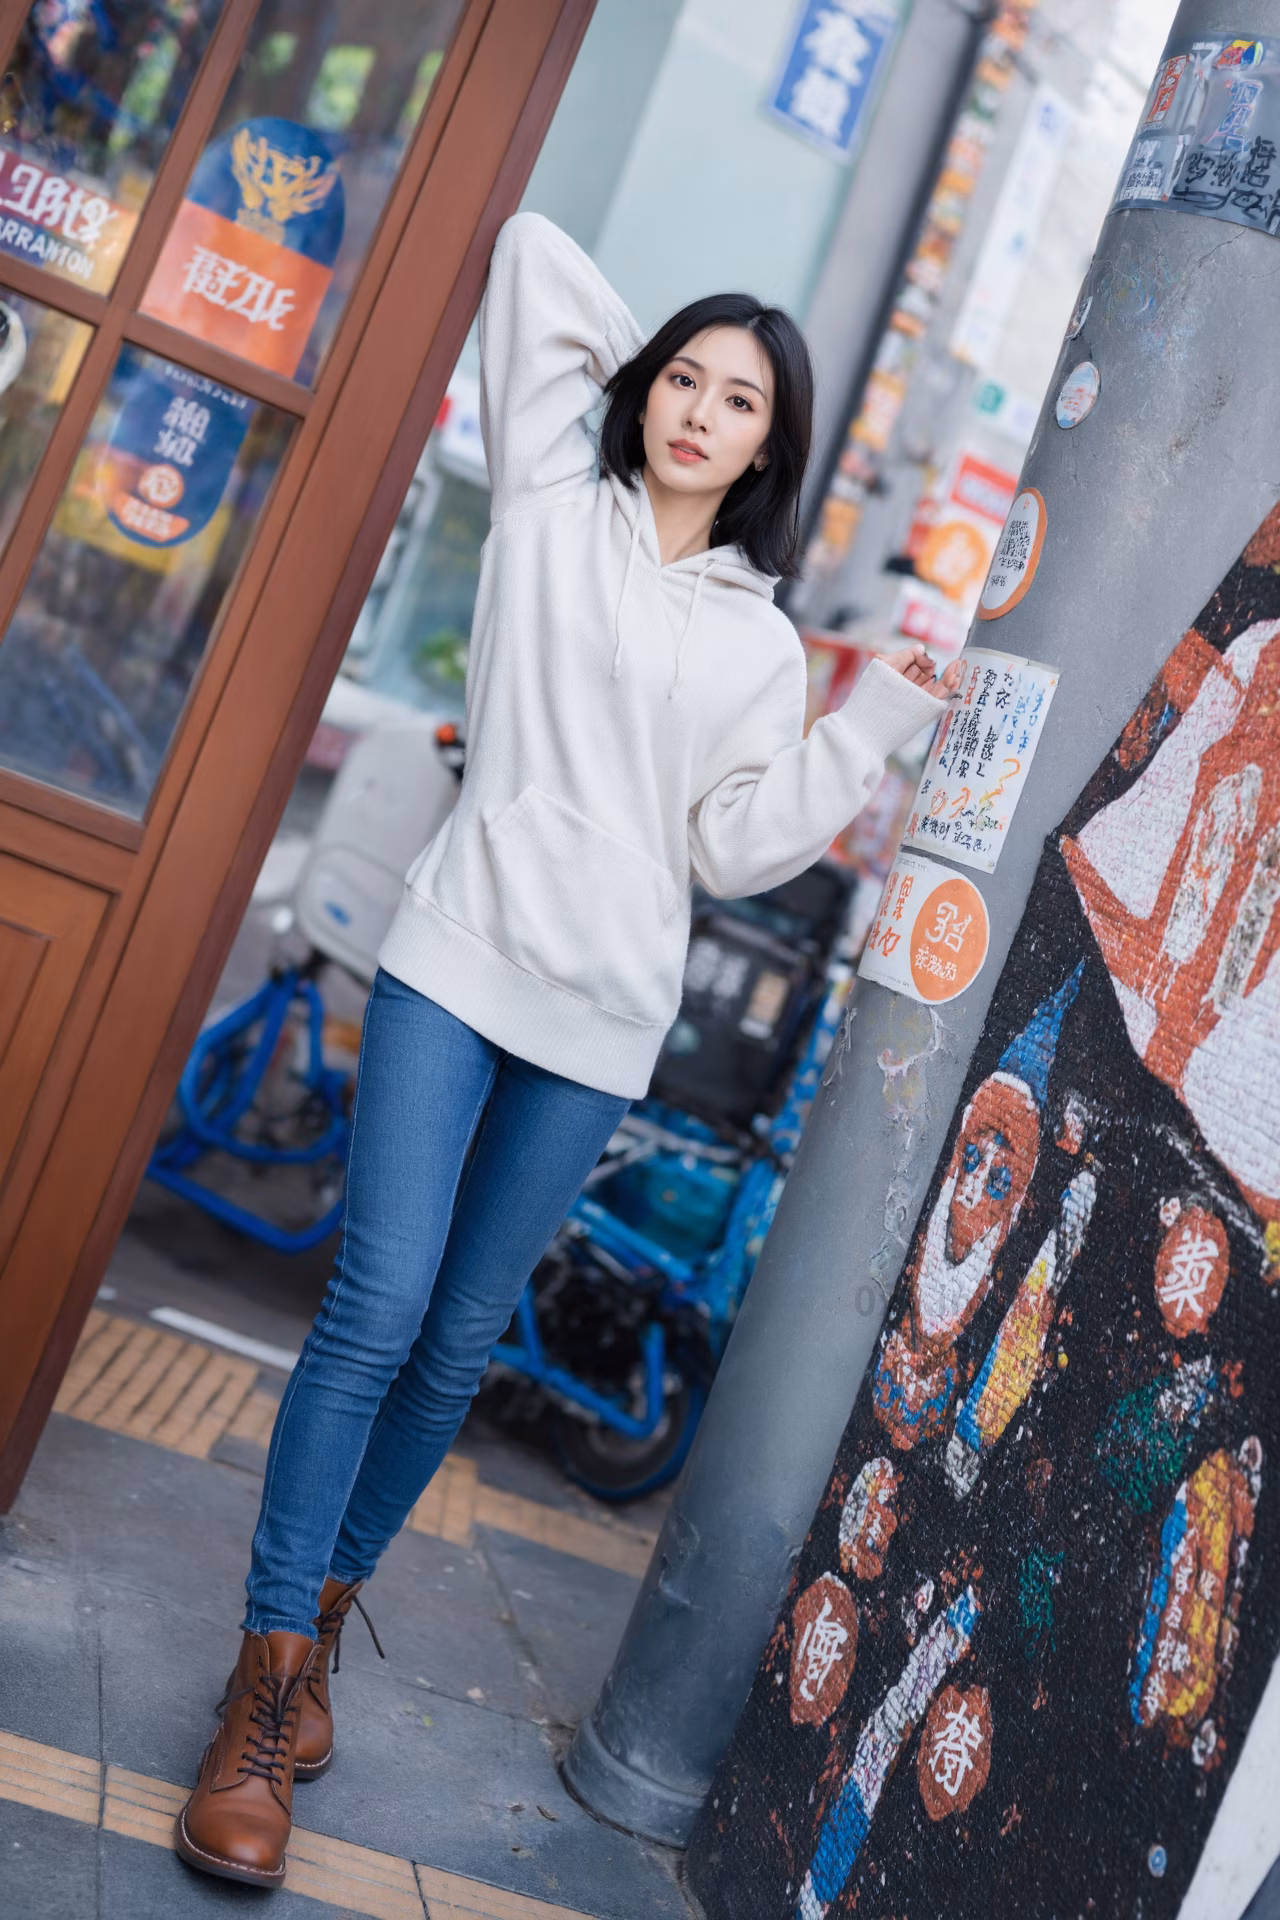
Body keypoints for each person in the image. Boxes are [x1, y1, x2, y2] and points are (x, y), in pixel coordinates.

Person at [176, 212, 957, 1886]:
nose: (695, 411)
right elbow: (521, 247)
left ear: (773, 445)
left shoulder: (759, 643)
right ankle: (259, 1684)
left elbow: (741, 848)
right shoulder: (551, 501)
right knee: (377, 1303)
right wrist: (644, 361)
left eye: (737, 399)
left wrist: (872, 720)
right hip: (455, 961)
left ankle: (316, 1632)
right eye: (682, 376)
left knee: (458, 1345)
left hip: (598, 1021)